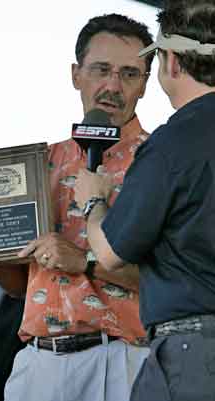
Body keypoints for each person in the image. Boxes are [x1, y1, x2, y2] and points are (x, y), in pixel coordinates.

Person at [0, 13, 155, 401]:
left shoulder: (161, 159)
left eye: (129, 74)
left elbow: (180, 277)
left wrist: (86, 260)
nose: (113, 85)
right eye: (101, 69)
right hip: (40, 362)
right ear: (76, 74)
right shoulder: (39, 164)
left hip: (126, 359)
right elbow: (17, 287)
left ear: (145, 84)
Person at [73, 2, 215, 401]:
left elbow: (111, 252)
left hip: (194, 351)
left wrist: (92, 203)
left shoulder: (173, 143)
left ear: (169, 62)